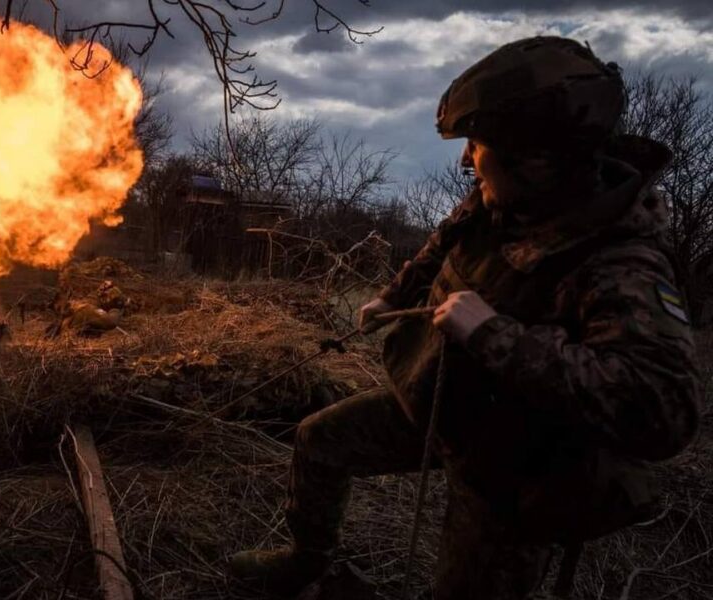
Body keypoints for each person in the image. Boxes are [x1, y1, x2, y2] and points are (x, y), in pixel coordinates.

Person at [228, 36, 700, 599]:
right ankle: (308, 562)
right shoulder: (500, 199)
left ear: (536, 160)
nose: (465, 159)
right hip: (439, 406)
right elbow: (440, 246)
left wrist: (493, 334)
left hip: (515, 469)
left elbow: (663, 410)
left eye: (477, 144)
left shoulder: (621, 262)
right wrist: (391, 295)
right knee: (320, 439)